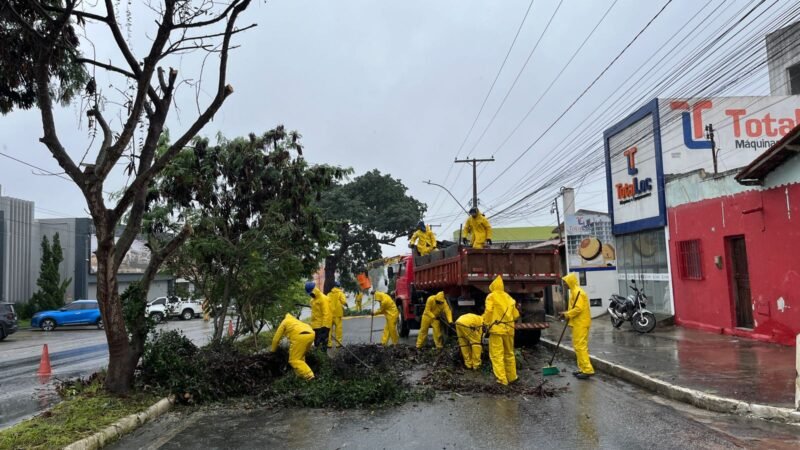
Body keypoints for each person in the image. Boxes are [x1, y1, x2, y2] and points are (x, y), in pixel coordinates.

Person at [482, 275, 520, 385]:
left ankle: (502, 379)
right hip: (509, 329)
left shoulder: (491, 296)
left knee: (497, 354)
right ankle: (512, 377)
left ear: (493, 286)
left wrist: (486, 323)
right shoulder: (509, 297)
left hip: (497, 330)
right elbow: (516, 315)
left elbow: (488, 311)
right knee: (509, 353)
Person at [560, 272, 595, 379]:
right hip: (578, 322)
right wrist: (566, 315)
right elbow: (574, 308)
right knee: (577, 346)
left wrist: (566, 314)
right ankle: (582, 369)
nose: (564, 285)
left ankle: (587, 370)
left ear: (570, 282)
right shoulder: (574, 292)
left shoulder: (578, 292)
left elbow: (578, 309)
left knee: (580, 346)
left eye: (565, 283)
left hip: (581, 323)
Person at [271, 313, 315, 380]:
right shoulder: (294, 320)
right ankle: (300, 375)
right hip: (311, 334)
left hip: (300, 336)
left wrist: (273, 351)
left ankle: (309, 375)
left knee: (293, 360)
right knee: (300, 357)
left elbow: (276, 339)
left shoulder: (285, 321)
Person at [306, 281, 331, 351]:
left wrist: (325, 328)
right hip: (315, 326)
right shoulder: (312, 300)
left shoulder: (323, 299)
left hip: (322, 326)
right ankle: (319, 359)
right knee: (317, 345)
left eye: (311, 293)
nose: (310, 295)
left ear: (314, 290)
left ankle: (324, 360)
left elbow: (326, 314)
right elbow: (315, 312)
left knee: (322, 346)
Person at [327, 281, 348, 348]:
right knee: (338, 329)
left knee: (329, 330)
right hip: (338, 313)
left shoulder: (329, 294)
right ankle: (338, 344)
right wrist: (346, 305)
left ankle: (329, 344)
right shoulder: (340, 293)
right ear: (339, 286)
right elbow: (344, 301)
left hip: (330, 313)